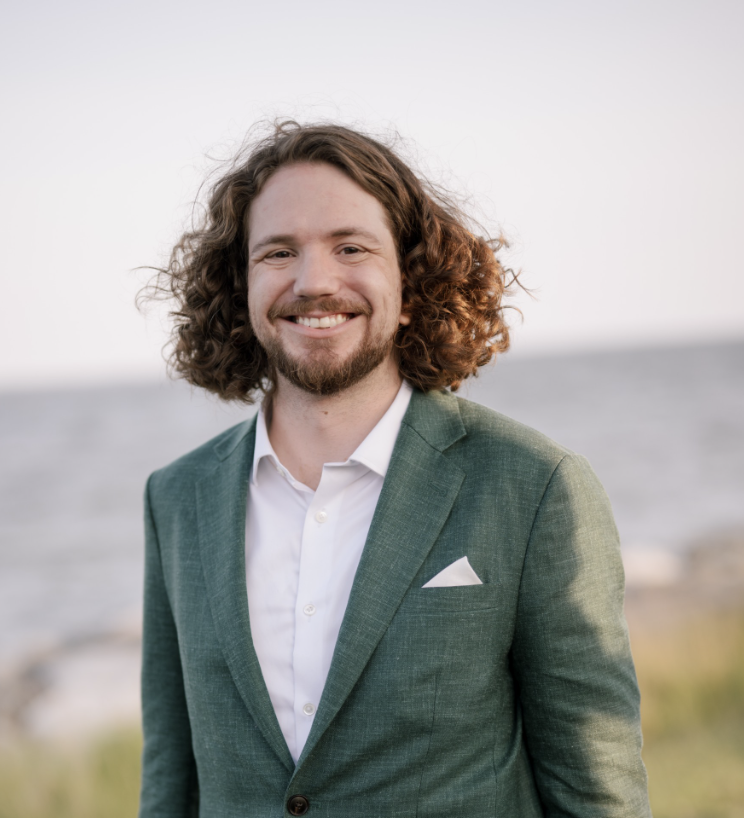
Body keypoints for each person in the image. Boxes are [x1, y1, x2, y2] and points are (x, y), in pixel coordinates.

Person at [138, 121, 651, 817]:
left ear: (410, 282)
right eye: (278, 252)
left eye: (351, 247)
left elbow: (597, 791)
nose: (314, 282)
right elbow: (170, 782)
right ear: (242, 286)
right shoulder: (176, 498)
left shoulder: (534, 487)